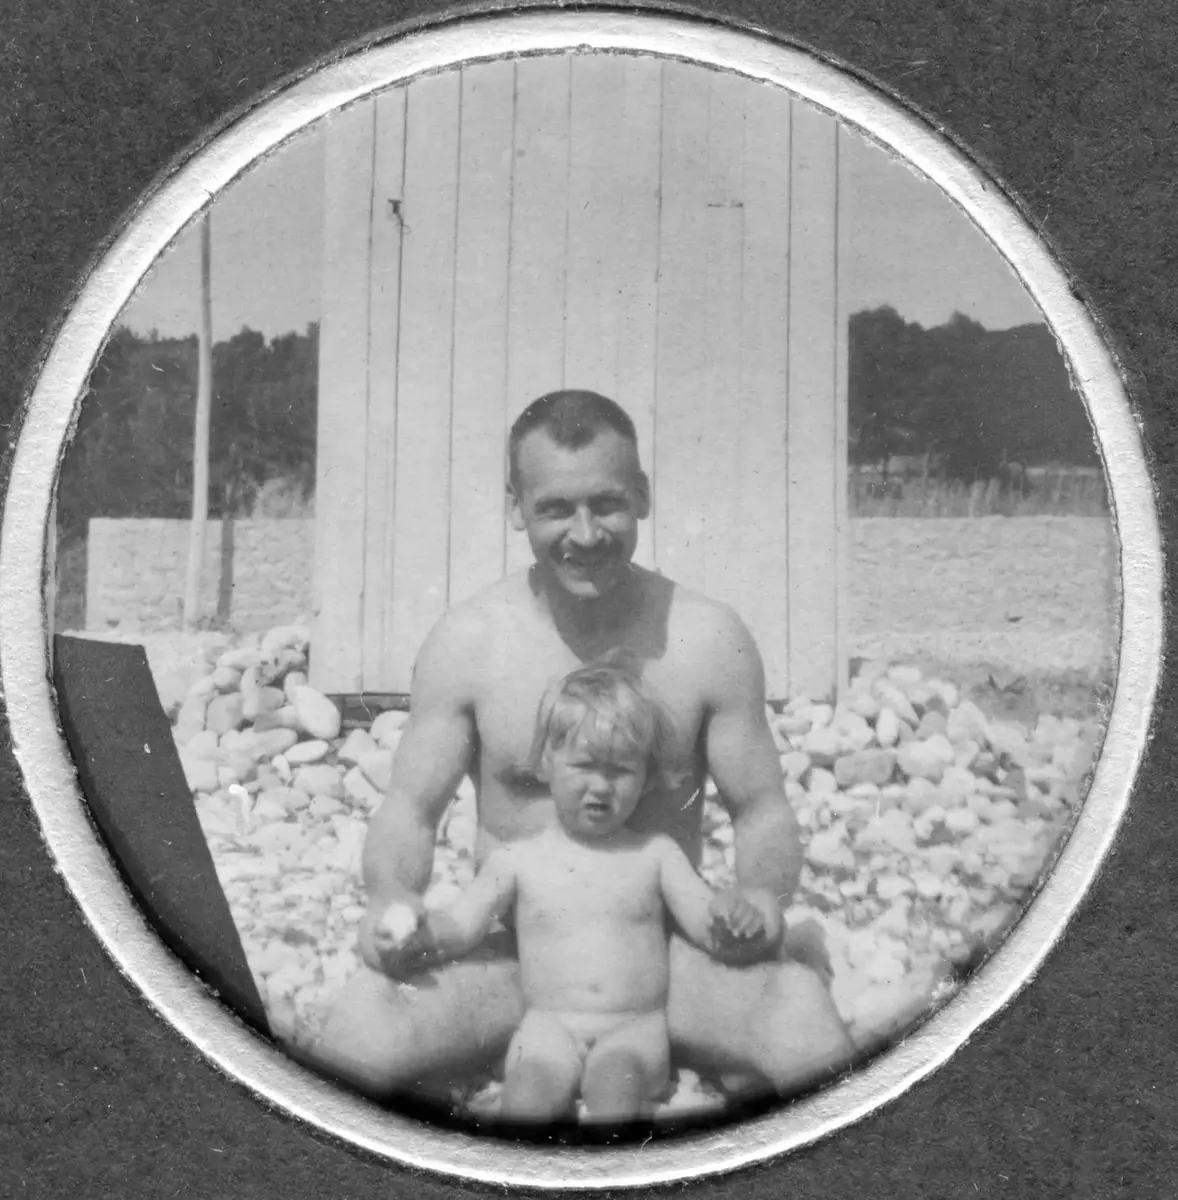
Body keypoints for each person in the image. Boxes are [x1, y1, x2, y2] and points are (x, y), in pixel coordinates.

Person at [302, 389, 855, 1102]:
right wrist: (392, 904)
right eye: (556, 509)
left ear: (643, 496)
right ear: (516, 509)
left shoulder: (707, 640)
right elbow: (409, 812)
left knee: (797, 1009)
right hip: (511, 963)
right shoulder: (470, 644)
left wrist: (760, 897)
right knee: (368, 1018)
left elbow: (762, 811)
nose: (586, 534)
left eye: (608, 504)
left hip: (661, 965)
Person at [373, 658, 775, 1123]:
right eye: (584, 765)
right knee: (527, 1097)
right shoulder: (517, 859)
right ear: (547, 763)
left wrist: (734, 917)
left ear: (647, 778)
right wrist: (419, 933)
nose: (600, 786)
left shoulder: (655, 854)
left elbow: (704, 918)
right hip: (547, 1025)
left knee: (615, 1092)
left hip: (633, 1028)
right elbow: (462, 925)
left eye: (621, 771)